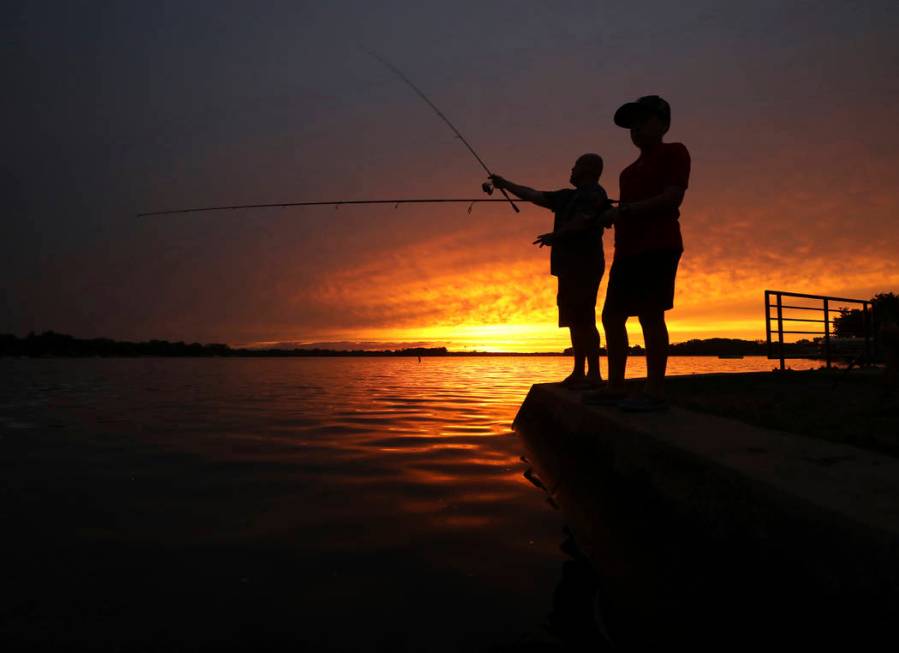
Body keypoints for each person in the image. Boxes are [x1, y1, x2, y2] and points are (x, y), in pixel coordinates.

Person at [587, 95, 690, 411]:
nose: (635, 129)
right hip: (627, 252)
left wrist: (625, 211)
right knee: (611, 316)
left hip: (659, 245)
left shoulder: (675, 152)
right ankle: (616, 386)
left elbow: (672, 198)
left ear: (663, 123)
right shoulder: (626, 173)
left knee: (650, 314)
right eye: (632, 124)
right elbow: (627, 212)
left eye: (642, 121)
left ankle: (655, 390)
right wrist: (610, 216)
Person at [490, 154, 612, 387]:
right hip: (567, 268)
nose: (572, 168)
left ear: (588, 169)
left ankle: (594, 374)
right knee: (574, 320)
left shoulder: (595, 193)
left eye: (576, 165)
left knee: (585, 318)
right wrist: (505, 184)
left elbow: (583, 221)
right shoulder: (566, 196)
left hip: (585, 264)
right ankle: (578, 372)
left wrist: (556, 236)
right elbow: (533, 195)